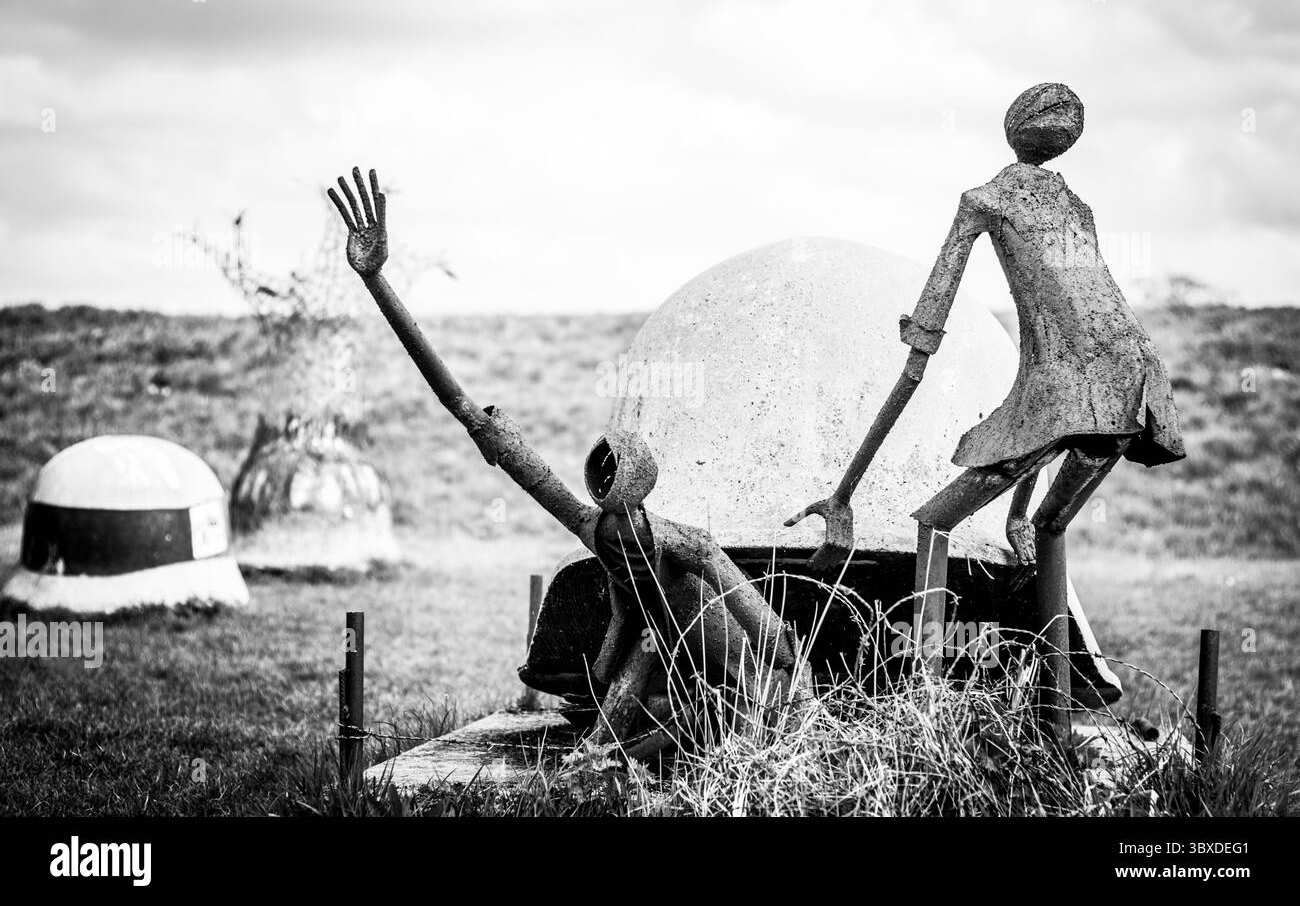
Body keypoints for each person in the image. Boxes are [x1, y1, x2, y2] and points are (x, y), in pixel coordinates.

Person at [326, 168, 803, 754]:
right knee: (645, 719)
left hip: (743, 679)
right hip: (669, 658)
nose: (620, 548)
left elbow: (758, 621)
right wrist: (378, 284)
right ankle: (606, 761)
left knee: (716, 721)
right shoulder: (597, 528)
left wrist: (784, 670)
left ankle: (650, 757)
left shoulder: (681, 543)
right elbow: (482, 426)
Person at [787, 83, 1184, 727]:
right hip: (1134, 375)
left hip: (1065, 388)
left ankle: (926, 719)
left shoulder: (984, 200)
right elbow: (1078, 311)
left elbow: (923, 344)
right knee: (1047, 527)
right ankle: (1053, 735)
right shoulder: (1075, 206)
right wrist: (1017, 510)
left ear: (1012, 130)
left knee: (933, 524)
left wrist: (843, 494)